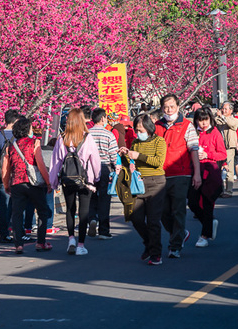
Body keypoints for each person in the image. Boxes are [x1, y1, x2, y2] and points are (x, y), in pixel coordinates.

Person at [49, 109, 101, 256]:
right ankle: (80, 245)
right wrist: (95, 178)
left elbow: (56, 163)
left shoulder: (62, 139)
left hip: (67, 179)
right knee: (84, 211)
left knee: (70, 210)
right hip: (85, 181)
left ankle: (71, 239)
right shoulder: (87, 138)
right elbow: (95, 161)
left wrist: (53, 183)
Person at [155, 94, 201, 259]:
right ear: (162, 108)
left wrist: (197, 174)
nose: (169, 110)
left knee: (178, 210)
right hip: (160, 175)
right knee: (162, 211)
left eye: (172, 107)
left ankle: (175, 246)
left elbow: (194, 150)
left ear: (178, 107)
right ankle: (180, 233)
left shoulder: (187, 126)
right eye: (166, 107)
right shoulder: (157, 126)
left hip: (181, 174)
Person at [120, 114, 167, 265]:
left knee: (153, 221)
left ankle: (156, 253)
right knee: (135, 216)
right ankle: (149, 243)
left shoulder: (159, 141)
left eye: (141, 129)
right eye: (137, 130)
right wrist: (126, 155)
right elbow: (132, 161)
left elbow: (158, 162)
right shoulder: (135, 142)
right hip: (139, 183)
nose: (139, 132)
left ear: (149, 128)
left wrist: (139, 155)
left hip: (156, 183)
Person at [1, 118, 53, 253]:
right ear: (27, 130)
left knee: (17, 214)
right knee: (42, 211)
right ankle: (40, 242)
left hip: (17, 183)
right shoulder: (35, 143)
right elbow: (40, 164)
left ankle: (18, 244)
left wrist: (6, 185)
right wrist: (48, 182)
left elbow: (6, 169)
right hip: (33, 183)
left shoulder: (10, 147)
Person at [189, 109, 226, 247]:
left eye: (206, 120)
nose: (203, 123)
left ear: (210, 119)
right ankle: (209, 222)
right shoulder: (193, 132)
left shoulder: (215, 132)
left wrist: (208, 154)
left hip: (210, 172)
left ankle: (204, 235)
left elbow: (222, 154)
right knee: (192, 202)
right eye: (200, 120)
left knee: (207, 203)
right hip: (195, 171)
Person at [87, 108, 119, 239]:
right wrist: (116, 167)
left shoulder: (86, 134)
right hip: (104, 167)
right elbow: (113, 155)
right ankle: (104, 231)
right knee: (104, 199)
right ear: (102, 119)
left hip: (89, 168)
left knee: (90, 196)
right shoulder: (108, 134)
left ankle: (92, 219)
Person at [0, 110, 20, 243]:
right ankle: (16, 232)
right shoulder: (18, 135)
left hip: (3, 172)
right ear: (15, 121)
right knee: (17, 204)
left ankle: (3, 234)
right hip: (17, 173)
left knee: (3, 204)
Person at [216, 102, 238, 197]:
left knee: (229, 169)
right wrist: (220, 117)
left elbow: (232, 125)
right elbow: (215, 122)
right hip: (218, 147)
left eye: (226, 109)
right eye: (223, 108)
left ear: (231, 110)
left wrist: (223, 117)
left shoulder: (234, 120)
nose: (224, 110)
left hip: (229, 147)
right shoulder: (219, 119)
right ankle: (220, 190)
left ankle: (229, 190)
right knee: (218, 169)